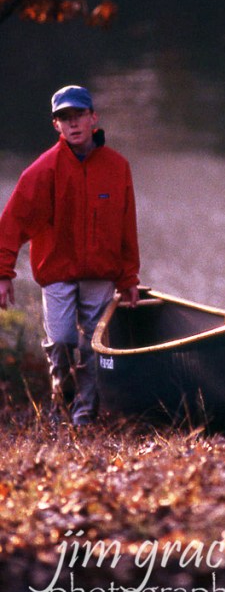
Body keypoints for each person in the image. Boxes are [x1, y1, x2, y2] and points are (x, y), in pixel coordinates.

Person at [0, 85, 140, 427]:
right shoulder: (42, 171)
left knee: (94, 345)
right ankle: (61, 398)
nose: (73, 123)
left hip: (101, 275)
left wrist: (129, 278)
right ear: (56, 126)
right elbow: (12, 221)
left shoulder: (117, 167)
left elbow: (127, 226)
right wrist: (3, 274)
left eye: (79, 115)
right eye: (65, 118)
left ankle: (83, 414)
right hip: (57, 271)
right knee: (61, 340)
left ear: (93, 118)